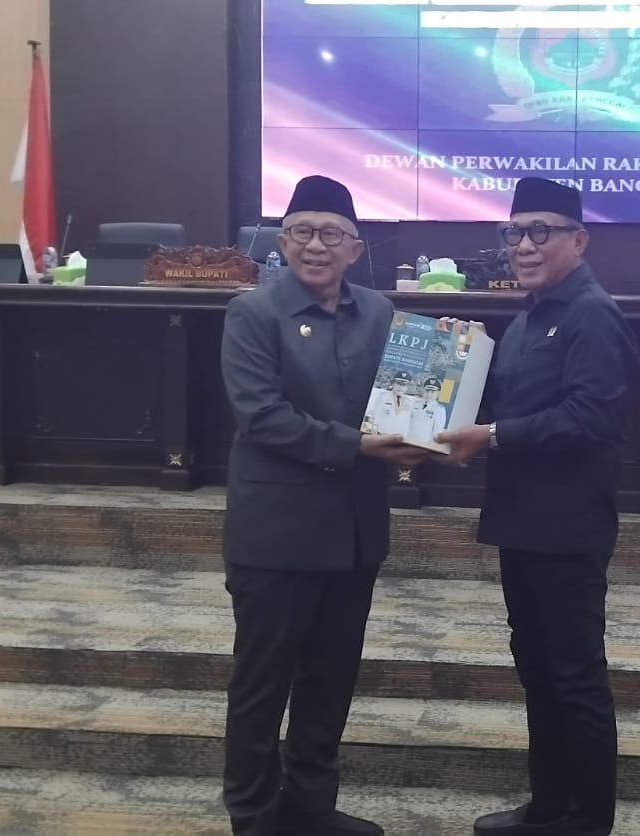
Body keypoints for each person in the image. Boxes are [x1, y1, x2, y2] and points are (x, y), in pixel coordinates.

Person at [219, 174, 428, 836]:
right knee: (262, 686)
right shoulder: (253, 314)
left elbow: (408, 402)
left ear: (355, 249)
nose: (316, 245)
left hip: (354, 533)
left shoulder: (383, 314)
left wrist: (443, 379)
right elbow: (263, 418)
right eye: (302, 232)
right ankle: (254, 816)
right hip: (276, 536)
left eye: (331, 234)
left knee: (330, 682)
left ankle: (310, 810)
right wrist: (359, 447)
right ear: (282, 243)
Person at [435, 177, 639, 836]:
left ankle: (586, 821)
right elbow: (500, 407)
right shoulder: (528, 318)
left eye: (540, 232)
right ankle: (548, 808)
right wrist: (453, 360)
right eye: (514, 232)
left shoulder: (591, 314)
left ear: (579, 240)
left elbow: (589, 417)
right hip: (521, 522)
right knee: (538, 672)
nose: (523, 245)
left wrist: (490, 436)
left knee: (575, 678)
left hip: (568, 526)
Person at [365, 371, 416, 437]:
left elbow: (406, 424)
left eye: (404, 385)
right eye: (398, 384)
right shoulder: (383, 397)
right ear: (393, 384)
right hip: (381, 435)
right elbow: (375, 416)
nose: (400, 387)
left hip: (397, 438)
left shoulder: (408, 402)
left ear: (407, 387)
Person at [407, 377, 448, 444]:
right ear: (423, 390)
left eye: (432, 392)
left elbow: (437, 432)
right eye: (427, 391)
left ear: (438, 393)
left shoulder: (439, 410)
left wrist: (430, 447)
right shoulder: (414, 404)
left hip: (423, 445)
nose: (429, 394)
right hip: (407, 441)